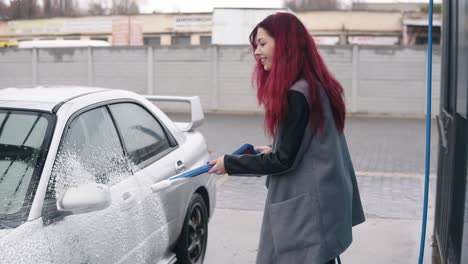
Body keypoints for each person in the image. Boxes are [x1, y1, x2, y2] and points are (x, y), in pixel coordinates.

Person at [208, 12, 365, 264]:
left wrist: (230, 163)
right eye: (255, 46)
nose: (257, 53)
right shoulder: (316, 86)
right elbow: (310, 141)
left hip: (308, 212)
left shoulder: (296, 94)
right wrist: (273, 147)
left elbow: (283, 161)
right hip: (327, 203)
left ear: (285, 44)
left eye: (262, 43)